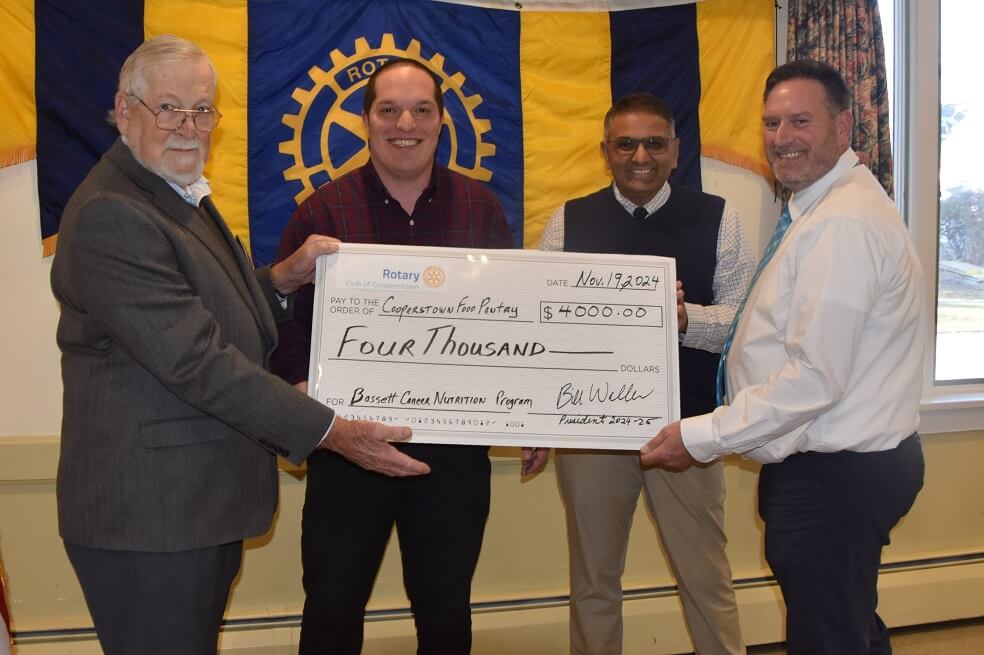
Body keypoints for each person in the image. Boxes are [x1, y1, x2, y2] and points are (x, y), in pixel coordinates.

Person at [50, 35, 429, 655]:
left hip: (190, 507)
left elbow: (205, 310)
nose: (188, 127)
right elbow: (196, 360)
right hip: (152, 516)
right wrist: (332, 430)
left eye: (202, 110)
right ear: (123, 111)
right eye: (167, 108)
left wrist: (280, 281)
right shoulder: (113, 214)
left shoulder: (171, 194)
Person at [641, 60, 927, 655]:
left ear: (845, 126)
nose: (781, 138)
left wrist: (700, 436)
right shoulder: (822, 207)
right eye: (771, 122)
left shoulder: (842, 224)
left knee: (827, 637)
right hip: (838, 468)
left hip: (835, 478)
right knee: (847, 623)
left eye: (801, 120)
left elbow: (814, 379)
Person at [272, 58, 514, 654]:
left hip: (452, 458)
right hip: (347, 451)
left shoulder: (480, 210)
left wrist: (525, 410)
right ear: (365, 121)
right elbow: (284, 331)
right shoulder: (321, 213)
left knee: (447, 613)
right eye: (389, 109)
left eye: (422, 110)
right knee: (331, 608)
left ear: (441, 121)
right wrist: (309, 411)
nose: (405, 123)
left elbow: (511, 325)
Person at [535, 93, 750, 655]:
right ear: (605, 151)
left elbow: (745, 323)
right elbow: (540, 321)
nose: (640, 156)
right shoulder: (569, 220)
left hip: (688, 427)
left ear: (676, 151)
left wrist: (681, 319)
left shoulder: (719, 218)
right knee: (593, 582)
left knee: (707, 578)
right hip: (590, 430)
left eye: (655, 143)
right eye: (625, 143)